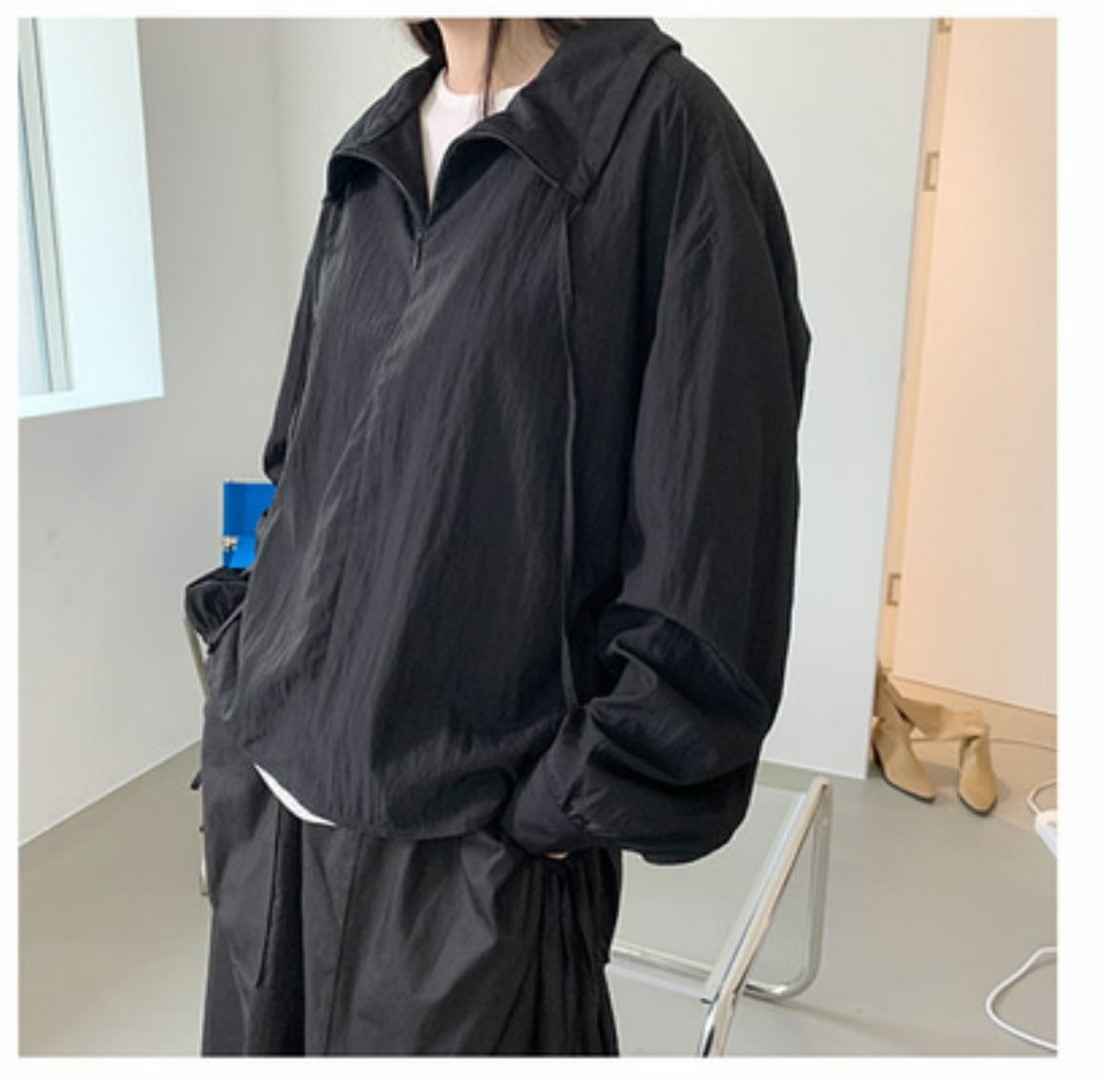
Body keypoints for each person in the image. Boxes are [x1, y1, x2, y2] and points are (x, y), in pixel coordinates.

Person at [185, 15, 812, 1056]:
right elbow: (303, 452)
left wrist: (571, 802)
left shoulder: (663, 137)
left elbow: (717, 521)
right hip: (271, 808)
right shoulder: (374, 148)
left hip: (468, 851)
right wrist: (243, 656)